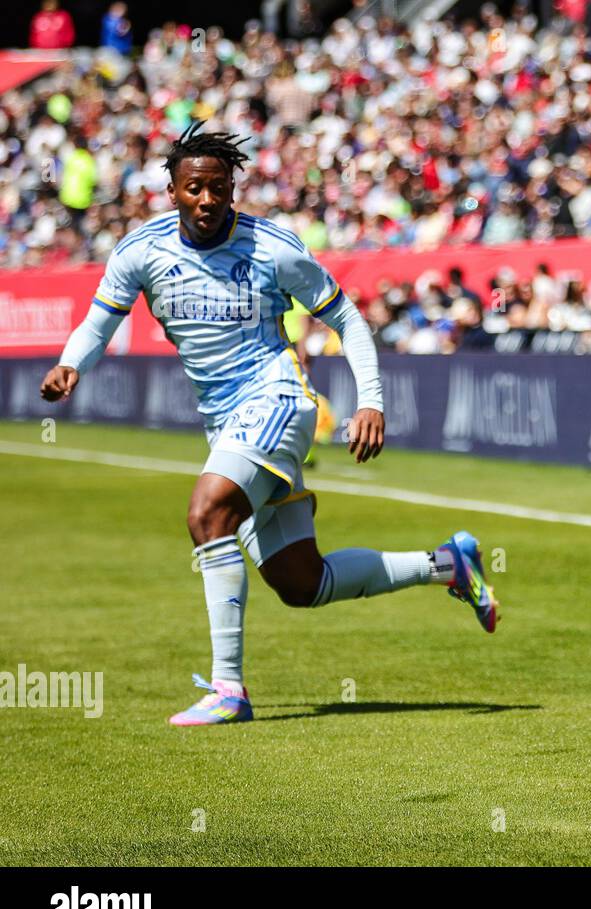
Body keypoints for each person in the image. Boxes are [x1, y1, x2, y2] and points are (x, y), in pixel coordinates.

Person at [39, 124, 499, 726]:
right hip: (223, 421)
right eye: (195, 188)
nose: (208, 199)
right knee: (302, 583)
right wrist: (72, 363)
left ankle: (229, 689)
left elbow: (349, 320)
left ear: (233, 190)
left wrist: (372, 401)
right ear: (173, 191)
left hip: (277, 398)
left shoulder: (273, 247)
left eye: (219, 188)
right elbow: (100, 323)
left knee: (208, 514)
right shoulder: (140, 252)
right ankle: (447, 565)